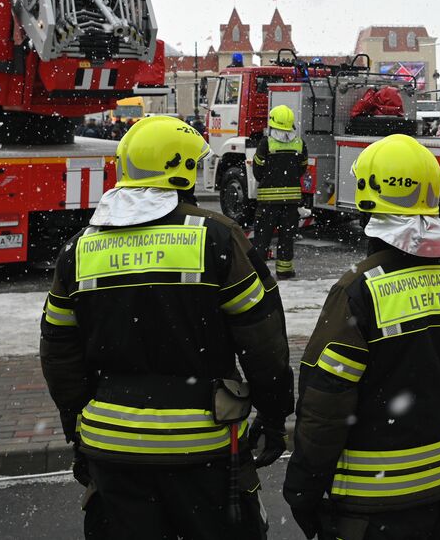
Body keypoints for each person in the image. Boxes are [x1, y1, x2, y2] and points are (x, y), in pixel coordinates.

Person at [39, 115, 294, 540]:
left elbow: (57, 351)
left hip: (112, 450)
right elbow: (262, 340)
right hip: (204, 448)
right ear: (186, 171)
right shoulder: (217, 238)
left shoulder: (79, 248)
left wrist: (78, 425)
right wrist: (273, 413)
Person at [283, 133, 440, 539]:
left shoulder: (358, 291)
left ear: (368, 200)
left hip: (372, 506)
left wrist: (304, 486)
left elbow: (325, 406)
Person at [251, 105, 308, 279]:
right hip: (291, 202)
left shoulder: (265, 143)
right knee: (286, 238)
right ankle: (284, 271)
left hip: (268, 203)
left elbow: (257, 171)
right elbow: (302, 169)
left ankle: (260, 273)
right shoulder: (299, 143)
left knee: (262, 238)